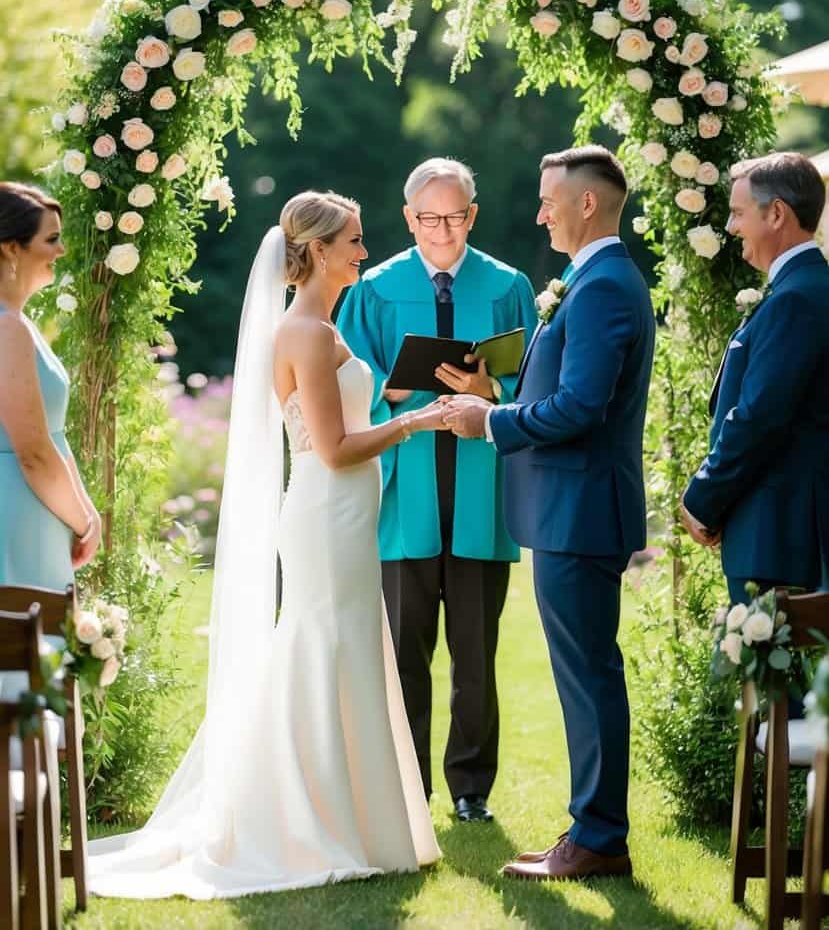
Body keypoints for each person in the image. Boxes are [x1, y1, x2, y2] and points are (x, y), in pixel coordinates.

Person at [88, 190, 443, 900]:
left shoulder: (324, 324)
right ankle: (295, 819)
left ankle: (356, 818)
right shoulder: (305, 333)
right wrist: (420, 421)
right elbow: (336, 450)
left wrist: (403, 407)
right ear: (315, 250)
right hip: (325, 507)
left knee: (346, 643)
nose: (363, 253)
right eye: (353, 242)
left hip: (341, 511)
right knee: (321, 645)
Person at [444, 146, 655, 881]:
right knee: (584, 674)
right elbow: (562, 398)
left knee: (589, 676)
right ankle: (589, 829)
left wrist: (490, 424)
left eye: (547, 199)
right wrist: (494, 397)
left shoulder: (599, 286)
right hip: (572, 509)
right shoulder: (594, 278)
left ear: (586, 203)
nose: (537, 212)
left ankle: (597, 838)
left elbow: (581, 406)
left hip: (580, 511)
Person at [338, 158, 537, 823]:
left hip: (481, 492)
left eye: (454, 217)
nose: (442, 231)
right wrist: (387, 388)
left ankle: (471, 790)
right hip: (406, 494)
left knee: (476, 656)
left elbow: (534, 385)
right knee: (404, 653)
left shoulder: (508, 287)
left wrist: (491, 390)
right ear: (407, 218)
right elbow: (345, 385)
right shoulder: (374, 288)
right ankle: (406, 784)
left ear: (471, 216)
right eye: (428, 218)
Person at [681, 152, 829, 603]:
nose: (730, 227)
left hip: (778, 539)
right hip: (781, 534)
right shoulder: (801, 290)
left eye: (739, 212)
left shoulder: (796, 300)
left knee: (769, 676)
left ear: (777, 213)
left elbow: (760, 417)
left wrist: (702, 497)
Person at [0, 183, 101, 593]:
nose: (61, 251)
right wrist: (82, 522)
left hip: (41, 507)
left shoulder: (19, 324)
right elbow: (35, 454)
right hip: (17, 511)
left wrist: (86, 510)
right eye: (51, 239)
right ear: (11, 248)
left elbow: (54, 437)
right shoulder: (7, 329)